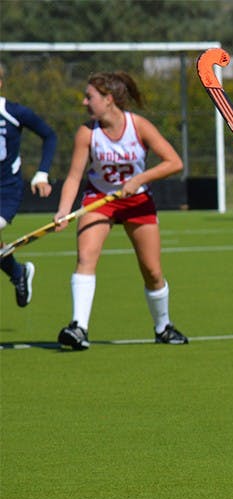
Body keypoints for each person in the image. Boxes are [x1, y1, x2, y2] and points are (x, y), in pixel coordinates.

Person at [53, 71, 188, 350]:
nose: (84, 102)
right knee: (86, 258)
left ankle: (163, 327)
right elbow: (74, 177)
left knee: (152, 270)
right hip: (99, 199)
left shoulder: (138, 126)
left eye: (89, 97)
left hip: (137, 201)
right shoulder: (87, 132)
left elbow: (174, 162)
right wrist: (63, 211)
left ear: (108, 99)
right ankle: (79, 328)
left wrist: (138, 180)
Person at [0, 62, 57, 308]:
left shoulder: (14, 112)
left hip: (5, 191)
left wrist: (41, 173)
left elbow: (49, 135)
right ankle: (17, 273)